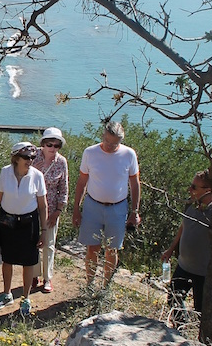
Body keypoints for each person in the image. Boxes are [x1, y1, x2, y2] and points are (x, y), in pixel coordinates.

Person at [72, 120, 141, 288]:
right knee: (92, 248)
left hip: (118, 208)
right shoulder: (90, 153)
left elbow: (135, 183)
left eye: (114, 143)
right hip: (92, 206)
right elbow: (82, 182)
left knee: (112, 249)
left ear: (121, 141)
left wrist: (135, 211)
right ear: (103, 136)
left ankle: (105, 288)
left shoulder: (129, 154)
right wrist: (76, 209)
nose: (110, 146)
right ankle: (89, 284)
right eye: (108, 141)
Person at [0, 142, 48, 317]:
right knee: (7, 259)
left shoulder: (37, 176)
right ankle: (7, 294)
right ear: (16, 158)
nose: (30, 161)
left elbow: (43, 206)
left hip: (28, 223)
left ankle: (25, 298)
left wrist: (44, 231)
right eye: (26, 157)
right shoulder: (5, 172)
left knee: (28, 261)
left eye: (32, 157)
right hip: (7, 221)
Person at [161, 168, 212, 318]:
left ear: (208, 190)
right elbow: (183, 227)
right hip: (184, 266)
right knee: (173, 299)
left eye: (194, 187)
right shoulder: (191, 205)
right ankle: (180, 329)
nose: (190, 189)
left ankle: (201, 340)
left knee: (201, 311)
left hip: (203, 272)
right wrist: (171, 249)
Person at [31, 127, 68, 294]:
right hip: (31, 208)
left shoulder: (61, 162)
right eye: (49, 144)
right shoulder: (32, 156)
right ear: (43, 144)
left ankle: (47, 278)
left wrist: (58, 211)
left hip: (52, 208)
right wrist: (35, 171)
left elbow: (64, 188)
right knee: (31, 242)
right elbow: (21, 178)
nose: (52, 149)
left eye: (56, 145)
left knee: (49, 243)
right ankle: (33, 273)